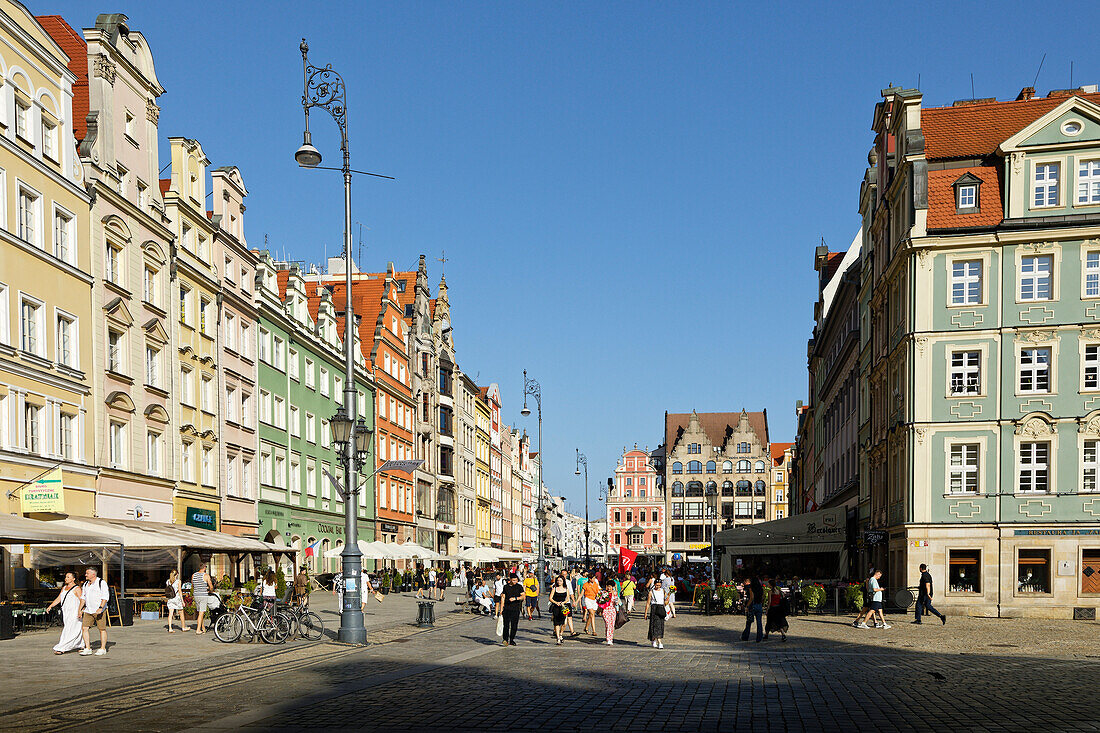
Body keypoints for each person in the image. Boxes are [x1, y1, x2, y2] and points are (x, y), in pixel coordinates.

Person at [46, 571, 83, 654]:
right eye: (66, 577)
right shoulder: (64, 588)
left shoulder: (77, 588)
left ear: (73, 579)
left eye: (68, 577)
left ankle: (62, 647)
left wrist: (80, 610)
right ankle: (81, 644)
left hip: (74, 611)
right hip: (66, 611)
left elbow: (82, 600)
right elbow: (59, 598)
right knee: (72, 628)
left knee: (70, 629)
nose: (66, 578)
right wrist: (51, 606)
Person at [77, 567, 109, 655]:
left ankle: (103, 648)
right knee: (84, 628)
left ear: (93, 574)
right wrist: (80, 610)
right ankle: (87, 648)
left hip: (99, 610)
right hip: (88, 610)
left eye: (87, 573)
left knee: (102, 629)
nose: (85, 575)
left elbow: (105, 597)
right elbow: (83, 598)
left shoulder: (101, 583)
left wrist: (100, 607)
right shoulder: (86, 584)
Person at [497, 574, 525, 646]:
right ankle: (505, 639)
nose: (515, 581)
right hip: (507, 608)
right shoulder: (506, 587)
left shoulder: (519, 587)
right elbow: (503, 597)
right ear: (510, 580)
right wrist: (501, 609)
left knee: (514, 625)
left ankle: (512, 639)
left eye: (516, 580)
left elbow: (523, 596)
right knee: (506, 625)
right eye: (513, 580)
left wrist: (516, 598)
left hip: (515, 608)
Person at [548, 575, 572, 644]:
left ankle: (561, 633)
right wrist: (556, 602)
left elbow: (567, 598)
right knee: (557, 622)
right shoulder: (554, 588)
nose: (559, 582)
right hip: (556, 607)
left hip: (564, 607)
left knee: (564, 623)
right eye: (558, 580)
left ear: (563, 581)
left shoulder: (566, 588)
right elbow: (550, 598)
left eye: (560, 581)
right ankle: (558, 637)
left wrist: (563, 603)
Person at [191, 562, 214, 635]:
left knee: (200, 612)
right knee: (201, 612)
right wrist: (210, 590)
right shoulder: (206, 576)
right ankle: (198, 629)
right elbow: (211, 586)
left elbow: (193, 585)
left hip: (196, 595)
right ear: (204, 568)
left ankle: (202, 627)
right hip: (203, 595)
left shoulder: (193, 575)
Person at [763, 577, 788, 642]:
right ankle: (783, 635)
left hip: (772, 608)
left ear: (770, 585)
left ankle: (766, 634)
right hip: (778, 608)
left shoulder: (770, 592)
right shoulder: (778, 591)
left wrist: (767, 610)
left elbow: (769, 602)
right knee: (778, 622)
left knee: (769, 622)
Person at [741, 573, 764, 643]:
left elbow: (751, 597)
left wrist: (747, 606)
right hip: (759, 605)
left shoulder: (751, 588)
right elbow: (763, 597)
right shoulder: (761, 589)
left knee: (749, 621)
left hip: (752, 606)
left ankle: (745, 636)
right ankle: (759, 637)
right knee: (759, 622)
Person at [645, 579, 666, 649]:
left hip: (661, 608)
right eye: (657, 585)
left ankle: (654, 639)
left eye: (659, 585)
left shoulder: (663, 591)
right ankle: (659, 642)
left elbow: (665, 601)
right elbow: (648, 603)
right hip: (654, 608)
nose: (658, 586)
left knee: (660, 625)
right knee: (655, 625)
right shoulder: (651, 592)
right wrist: (645, 613)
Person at [599, 580, 620, 646]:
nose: (608, 588)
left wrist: (617, 601)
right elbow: (600, 601)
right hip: (605, 610)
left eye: (610, 586)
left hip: (612, 610)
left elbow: (617, 602)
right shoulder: (604, 593)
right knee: (608, 624)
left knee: (611, 625)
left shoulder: (615, 593)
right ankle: (608, 639)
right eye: (608, 586)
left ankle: (610, 638)